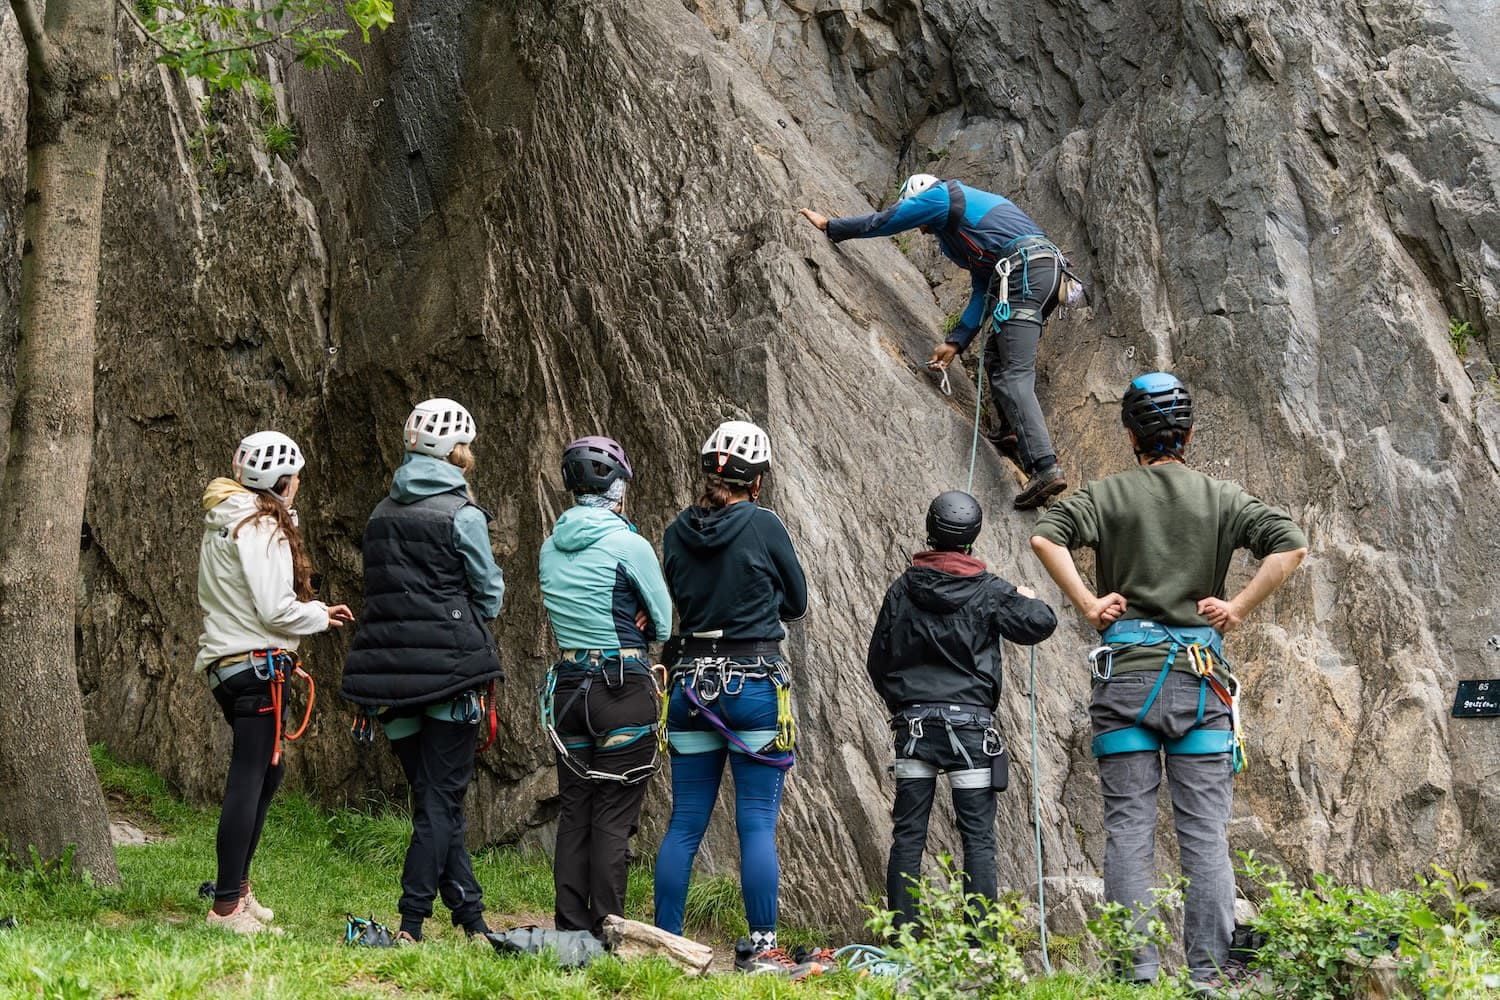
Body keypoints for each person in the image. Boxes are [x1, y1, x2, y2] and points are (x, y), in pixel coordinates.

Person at [1029, 373, 1307, 997]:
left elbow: (1045, 535)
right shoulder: (1221, 497)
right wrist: (1236, 608)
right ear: (1188, 433)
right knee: (1204, 833)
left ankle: (1135, 976)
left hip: (1125, 682)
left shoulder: (1107, 496)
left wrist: (1087, 602)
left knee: (1128, 826)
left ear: (1130, 433)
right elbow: (1289, 547)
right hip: (1200, 683)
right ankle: (1207, 978)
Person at [652, 421, 817, 979]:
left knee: (685, 821)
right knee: (755, 822)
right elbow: (795, 603)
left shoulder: (676, 531)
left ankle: (667, 944)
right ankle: (762, 947)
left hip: (692, 684)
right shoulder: (764, 524)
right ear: (759, 480)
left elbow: (680, 594)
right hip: (752, 684)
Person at [800, 175, 1071, 509]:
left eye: (917, 217)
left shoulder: (940, 195)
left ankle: (1044, 466)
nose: (920, 229)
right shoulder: (964, 231)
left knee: (1015, 371)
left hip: (1027, 273)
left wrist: (833, 227)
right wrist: (956, 342)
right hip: (1038, 274)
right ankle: (1013, 432)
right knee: (997, 355)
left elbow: (887, 221)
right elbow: (980, 292)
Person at [341, 398, 506, 944]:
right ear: (456, 451)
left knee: (433, 801)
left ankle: (472, 920)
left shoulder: (380, 513)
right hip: (451, 676)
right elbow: (489, 594)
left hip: (388, 677)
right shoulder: (461, 514)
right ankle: (412, 922)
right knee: (441, 802)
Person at [866, 490, 1056, 928]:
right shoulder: (990, 592)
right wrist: (1024, 596)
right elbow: (1041, 622)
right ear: (973, 538)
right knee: (978, 839)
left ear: (930, 532)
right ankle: (979, 946)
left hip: (913, 725)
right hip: (971, 730)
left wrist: (903, 703)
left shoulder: (902, 589)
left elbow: (878, 660)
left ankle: (903, 940)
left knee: (909, 835)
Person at [195, 430, 354, 933]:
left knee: (266, 774)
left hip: (232, 663)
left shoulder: (228, 518)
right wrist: (315, 616)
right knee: (249, 777)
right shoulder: (259, 526)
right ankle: (225, 908)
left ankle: (238, 890)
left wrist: (310, 611)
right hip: (256, 667)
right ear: (282, 482)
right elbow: (273, 607)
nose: (299, 485)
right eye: (296, 478)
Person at [537, 435, 672, 939]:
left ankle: (571, 930)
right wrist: (637, 622)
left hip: (568, 689)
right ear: (616, 488)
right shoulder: (628, 544)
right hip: (621, 687)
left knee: (576, 811)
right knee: (613, 816)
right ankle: (608, 932)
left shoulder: (550, 547)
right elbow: (661, 623)